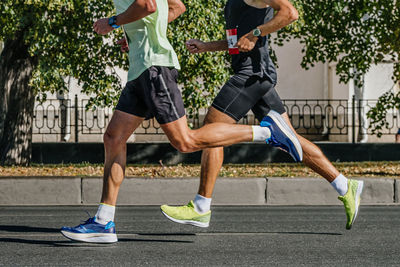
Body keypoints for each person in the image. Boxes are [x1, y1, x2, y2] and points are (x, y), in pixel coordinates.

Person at [60, 0, 302, 243]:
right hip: (140, 67)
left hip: (154, 67)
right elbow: (176, 6)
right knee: (113, 137)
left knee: (185, 141)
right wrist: (134, 28)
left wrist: (112, 23)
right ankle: (103, 222)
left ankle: (267, 132)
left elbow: (148, 5)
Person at [160, 0, 364, 230]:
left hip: (252, 75)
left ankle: (200, 206)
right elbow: (238, 42)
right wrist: (207, 46)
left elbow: (290, 13)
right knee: (291, 139)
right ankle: (345, 186)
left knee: (212, 130)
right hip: (257, 77)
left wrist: (257, 33)